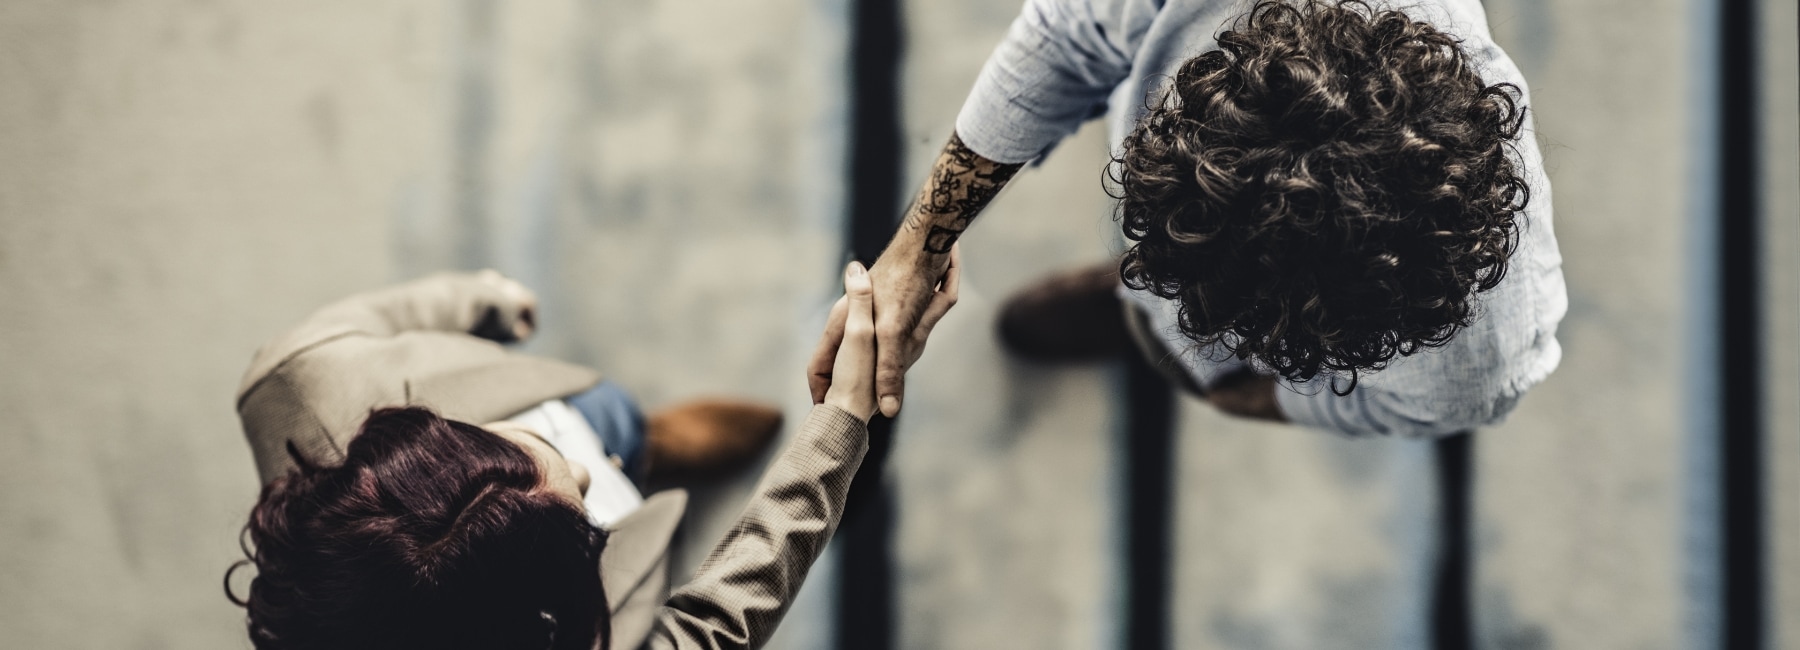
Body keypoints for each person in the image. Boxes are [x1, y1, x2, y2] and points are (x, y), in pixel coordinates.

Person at [819, 0, 1566, 437]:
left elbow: (1437, 402)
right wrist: (917, 248)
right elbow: (1067, 36)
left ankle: (1145, 323)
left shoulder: (1480, 351)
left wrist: (1253, 396)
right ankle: (1138, 309)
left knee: (1180, 342)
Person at [227, 261, 957, 649]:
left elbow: (370, 319)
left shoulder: (299, 377)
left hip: (569, 404)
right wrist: (842, 420)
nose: (582, 468)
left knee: (612, 423)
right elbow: (718, 621)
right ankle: (648, 453)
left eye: (526, 446)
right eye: (583, 523)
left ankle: (654, 443)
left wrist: (479, 299)